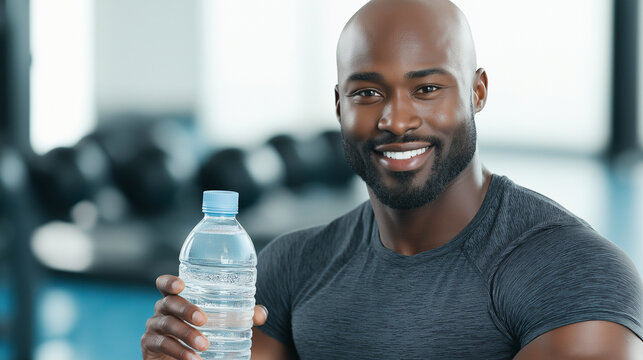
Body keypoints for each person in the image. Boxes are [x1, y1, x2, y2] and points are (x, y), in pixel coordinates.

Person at [141, 0, 643, 359]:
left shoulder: (574, 276)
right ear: (338, 105)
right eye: (367, 93)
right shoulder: (291, 268)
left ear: (478, 91)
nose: (397, 120)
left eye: (426, 88)